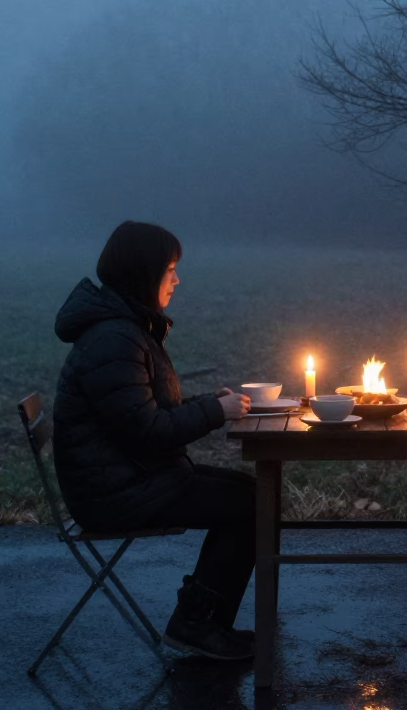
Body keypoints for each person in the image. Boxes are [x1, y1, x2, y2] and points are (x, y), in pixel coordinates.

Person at [53, 220, 256, 661]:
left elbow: (143, 411)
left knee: (250, 492)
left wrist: (209, 402)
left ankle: (207, 622)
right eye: (169, 270)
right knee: (251, 505)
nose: (177, 280)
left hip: (130, 476)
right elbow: (146, 432)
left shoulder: (126, 327)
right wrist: (212, 413)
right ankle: (196, 625)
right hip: (115, 492)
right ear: (144, 274)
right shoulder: (114, 338)